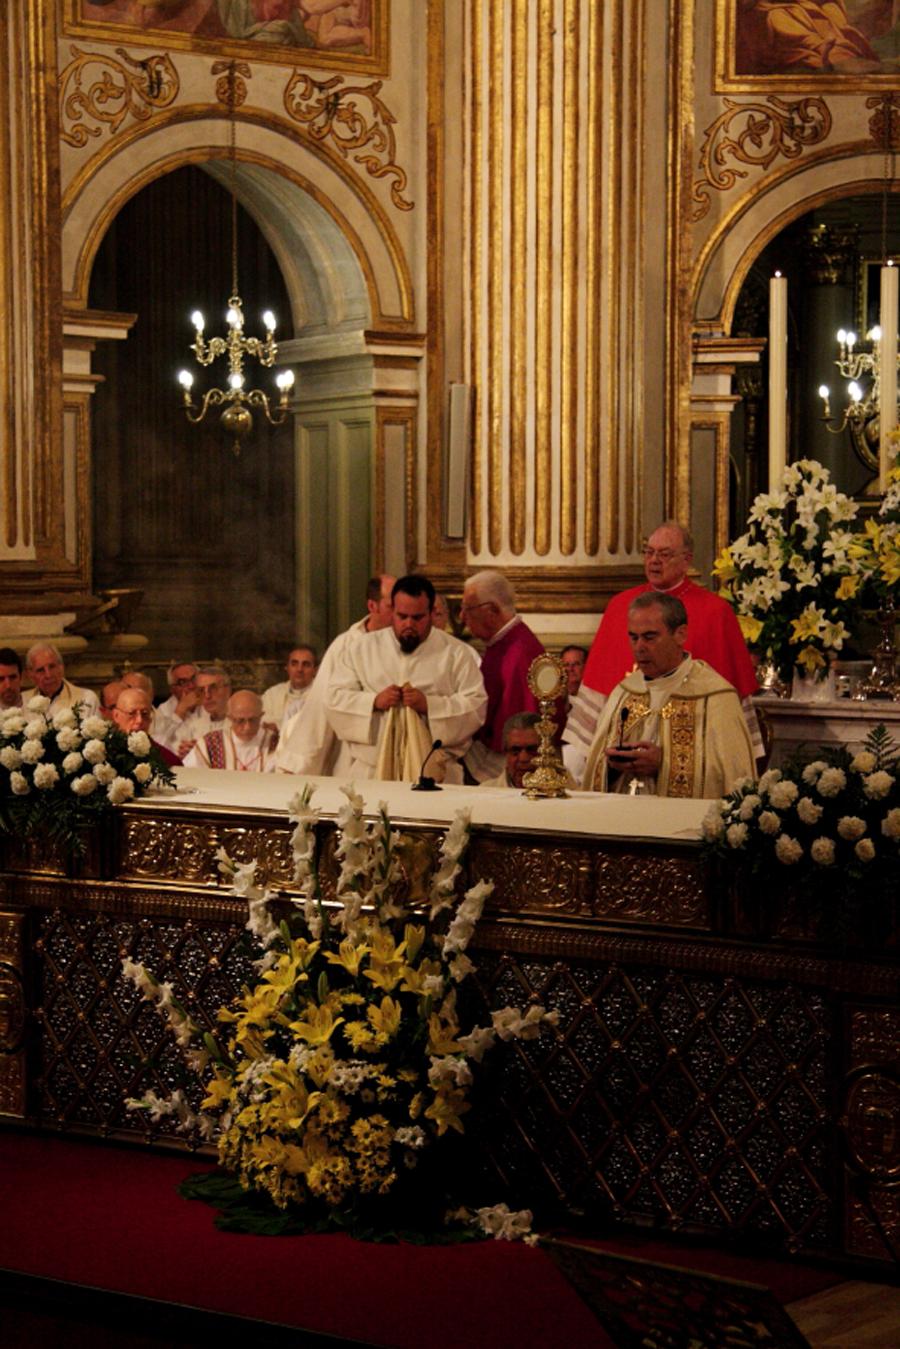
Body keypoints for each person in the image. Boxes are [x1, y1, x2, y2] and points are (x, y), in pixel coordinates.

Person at [564, 522, 761, 782]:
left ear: (687, 560)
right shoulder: (620, 607)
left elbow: (728, 753)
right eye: (649, 552)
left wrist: (667, 761)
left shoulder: (715, 612)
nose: (654, 560)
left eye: (664, 554)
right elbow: (595, 725)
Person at [582, 594, 756, 799]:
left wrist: (663, 765)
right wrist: (613, 765)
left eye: (649, 637)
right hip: (622, 812)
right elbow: (595, 770)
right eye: (634, 637)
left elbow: (731, 777)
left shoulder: (715, 697)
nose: (639, 647)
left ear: (680, 634)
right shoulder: (624, 693)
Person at [326, 575, 487, 783]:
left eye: (417, 618)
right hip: (372, 772)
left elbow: (476, 706)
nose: (409, 624)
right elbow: (333, 698)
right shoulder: (361, 649)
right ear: (392, 611)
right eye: (402, 616)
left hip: (436, 772)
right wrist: (374, 701)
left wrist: (429, 705)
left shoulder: (457, 654)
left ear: (431, 613)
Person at [275, 574, 396, 775]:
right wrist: (298, 765)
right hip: (356, 758)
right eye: (392, 606)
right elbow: (321, 706)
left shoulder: (406, 644)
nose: (399, 612)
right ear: (372, 606)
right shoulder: (346, 645)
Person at [460, 570, 548, 783]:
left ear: (491, 610)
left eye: (468, 609)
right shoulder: (502, 643)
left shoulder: (519, 653)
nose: (462, 618)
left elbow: (518, 728)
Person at [183, 689, 278, 772]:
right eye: (240, 721)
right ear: (230, 718)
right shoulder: (211, 743)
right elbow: (190, 774)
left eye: (253, 720)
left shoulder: (275, 743)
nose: (247, 727)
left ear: (261, 715)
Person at [111, 687, 182, 766]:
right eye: (131, 713)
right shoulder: (105, 753)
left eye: (145, 713)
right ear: (116, 716)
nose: (139, 720)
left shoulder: (168, 759)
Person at [24, 643, 99, 717]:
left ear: (61, 667)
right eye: (40, 670)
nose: (48, 675)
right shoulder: (23, 702)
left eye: (52, 667)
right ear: (31, 675)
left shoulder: (87, 699)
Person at [175, 667, 232, 758]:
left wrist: (203, 753)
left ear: (228, 689)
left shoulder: (244, 723)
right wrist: (185, 754)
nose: (207, 696)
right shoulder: (194, 726)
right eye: (201, 690)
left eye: (213, 688)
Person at [479, 713, 542, 789]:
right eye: (515, 751)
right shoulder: (485, 791)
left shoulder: (556, 792)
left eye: (532, 750)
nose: (523, 758)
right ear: (505, 753)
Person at [262, 645, 318, 730]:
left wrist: (278, 725)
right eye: (294, 664)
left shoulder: (323, 695)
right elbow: (263, 723)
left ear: (315, 670)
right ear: (287, 667)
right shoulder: (272, 695)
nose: (299, 669)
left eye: (306, 665)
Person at [153, 663, 203, 751]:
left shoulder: (210, 702)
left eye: (194, 679)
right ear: (172, 689)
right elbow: (158, 743)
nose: (191, 686)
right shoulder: (163, 710)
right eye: (182, 682)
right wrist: (180, 711)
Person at [560, 645, 587, 712]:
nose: (570, 669)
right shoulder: (557, 698)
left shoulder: (595, 698)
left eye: (576, 664)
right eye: (566, 664)